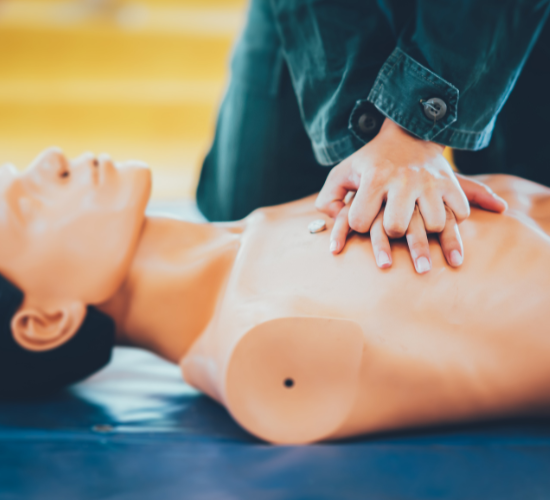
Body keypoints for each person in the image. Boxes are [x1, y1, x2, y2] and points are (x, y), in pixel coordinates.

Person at [2, 148, 550, 444]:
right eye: (23, 209)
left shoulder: (250, 231)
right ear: (46, 320)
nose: (46, 159)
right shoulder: (267, 351)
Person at [197, 0, 550, 272]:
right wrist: (379, 158)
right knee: (253, 241)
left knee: (520, 234)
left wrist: (411, 134)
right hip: (317, 31)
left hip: (505, 28)